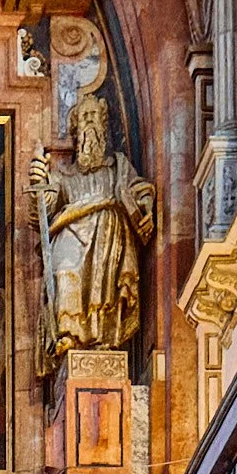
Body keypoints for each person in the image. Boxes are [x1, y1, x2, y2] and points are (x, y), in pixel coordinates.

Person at [30, 91, 156, 371]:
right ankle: (69, 335)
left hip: (108, 237)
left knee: (103, 287)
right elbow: (42, 208)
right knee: (64, 272)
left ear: (103, 126)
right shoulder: (64, 176)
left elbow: (139, 191)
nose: (89, 124)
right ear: (75, 131)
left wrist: (145, 205)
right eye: (83, 118)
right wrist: (39, 178)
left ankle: (102, 338)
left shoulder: (118, 169)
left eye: (94, 117)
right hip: (71, 233)